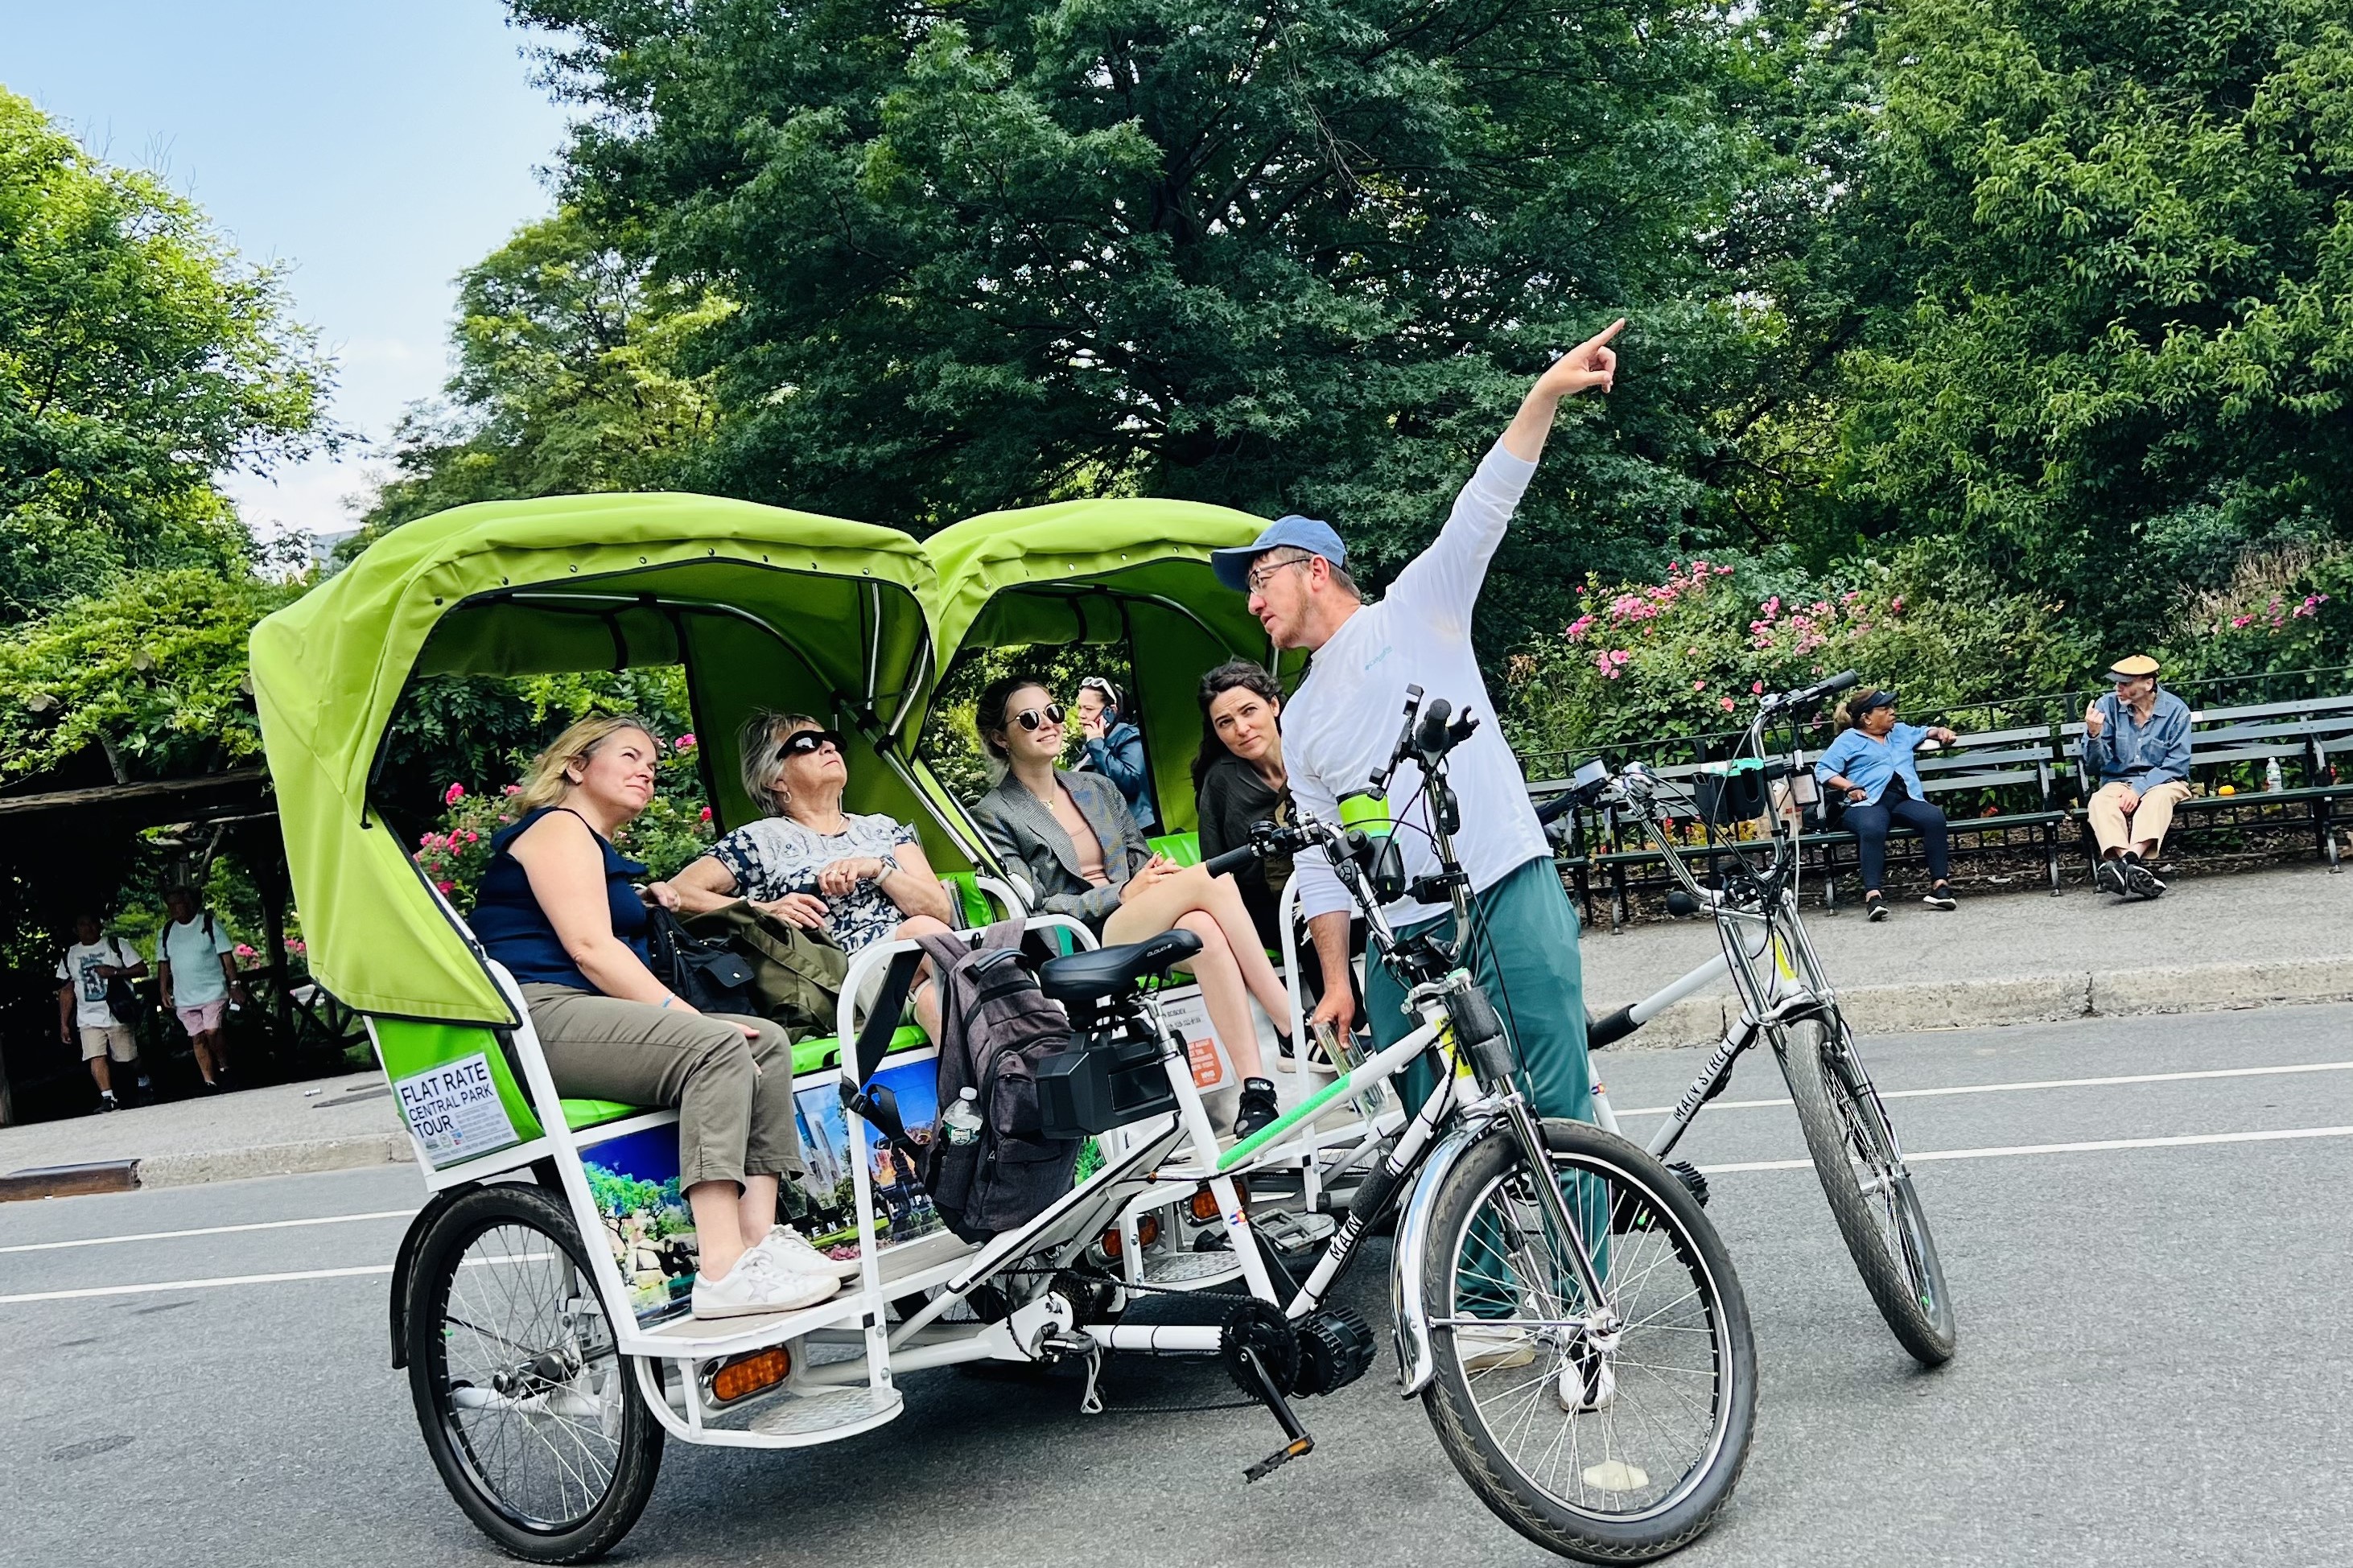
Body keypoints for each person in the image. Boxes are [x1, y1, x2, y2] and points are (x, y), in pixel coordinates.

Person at [1217, 322, 1625, 1266]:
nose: (1252, 602)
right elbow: (1324, 861)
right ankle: (1478, 1312)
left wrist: (1543, 394)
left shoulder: (1416, 610)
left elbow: (1485, 502)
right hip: (1402, 939)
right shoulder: (1298, 717)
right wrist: (1335, 979)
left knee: (1553, 1100)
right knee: (1439, 1133)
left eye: (1261, 580)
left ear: (1314, 569)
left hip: (1503, 883)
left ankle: (1585, 1299)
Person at [472, 714, 844, 1319]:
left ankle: (759, 1238)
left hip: (584, 1011)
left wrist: (646, 901)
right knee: (717, 1045)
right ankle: (723, 1268)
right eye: (630, 756)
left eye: (652, 763)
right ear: (576, 766)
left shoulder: (590, 845)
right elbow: (589, 949)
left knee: (766, 1041)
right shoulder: (559, 828)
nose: (647, 771)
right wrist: (686, 1015)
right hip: (539, 1014)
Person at [968, 675, 1288, 1137]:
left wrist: (1157, 876)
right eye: (1030, 719)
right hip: (1083, 938)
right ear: (1001, 737)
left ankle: (1255, 1090)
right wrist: (1119, 895)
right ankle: (1290, 1024)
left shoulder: (1096, 787)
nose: (1049, 723)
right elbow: (1032, 902)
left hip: (1137, 916)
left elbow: (1139, 858)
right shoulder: (994, 813)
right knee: (1212, 879)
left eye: (1053, 712)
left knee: (1204, 928)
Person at [658, 710, 954, 1036]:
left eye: (831, 740)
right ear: (774, 779)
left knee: (934, 1001)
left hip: (915, 971)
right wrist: (765, 909)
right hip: (837, 975)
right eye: (806, 743)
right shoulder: (758, 840)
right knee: (921, 932)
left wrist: (878, 870)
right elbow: (677, 893)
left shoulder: (883, 828)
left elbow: (941, 910)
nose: (829, 747)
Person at [1192, 660, 1364, 1065]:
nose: (1241, 729)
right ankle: (1350, 1036)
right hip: (1265, 906)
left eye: (1248, 711)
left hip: (1342, 882)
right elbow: (1216, 868)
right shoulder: (1221, 781)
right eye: (1225, 723)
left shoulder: (1311, 752)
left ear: (1274, 705)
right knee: (1309, 919)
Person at [1813, 691, 1961, 921]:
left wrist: (1940, 731)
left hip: (1904, 799)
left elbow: (1924, 732)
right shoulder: (1848, 740)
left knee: (1934, 818)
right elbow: (1823, 769)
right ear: (1867, 718)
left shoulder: (1899, 732)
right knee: (1873, 828)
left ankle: (1940, 886)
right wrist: (1849, 786)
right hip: (1866, 802)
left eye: (1891, 707)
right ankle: (1873, 896)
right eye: (1884, 709)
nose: (1892, 712)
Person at [2081, 654, 2192, 899]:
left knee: (2158, 798)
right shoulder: (2106, 706)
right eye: (2116, 682)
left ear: (2148, 684)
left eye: (2125, 683)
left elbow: (2176, 765)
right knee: (2100, 801)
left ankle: (2126, 863)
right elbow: (2095, 765)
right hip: (2117, 781)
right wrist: (2094, 735)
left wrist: (2139, 788)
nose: (2117, 688)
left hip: (2165, 781)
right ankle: (2130, 866)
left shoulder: (2176, 711)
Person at [156, 885, 246, 1091]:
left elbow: (227, 957)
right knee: (197, 1037)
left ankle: (225, 1067)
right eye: (170, 905)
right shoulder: (167, 932)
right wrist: (163, 990)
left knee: (212, 1031)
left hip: (213, 992)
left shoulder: (208, 924)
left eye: (177, 904)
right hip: (185, 996)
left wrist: (235, 984)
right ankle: (209, 1081)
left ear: (188, 903)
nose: (173, 909)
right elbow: (163, 963)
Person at [56, 912, 146, 1113]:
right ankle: (108, 1097)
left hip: (117, 1012)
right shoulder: (70, 955)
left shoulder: (116, 945)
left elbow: (142, 969)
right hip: (88, 1016)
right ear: (75, 929)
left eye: (92, 923)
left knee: (128, 1058)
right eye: (83, 924)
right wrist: (64, 1023)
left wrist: (115, 972)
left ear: (100, 926)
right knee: (95, 1056)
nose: (88, 928)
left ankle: (143, 1077)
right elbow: (67, 990)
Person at [1073, 677, 1159, 832]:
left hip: (1139, 831)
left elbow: (1130, 783)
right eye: (1080, 708)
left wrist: (1096, 744)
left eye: (1089, 709)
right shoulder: (1093, 745)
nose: (1081, 715)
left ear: (1110, 711)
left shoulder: (1130, 737)